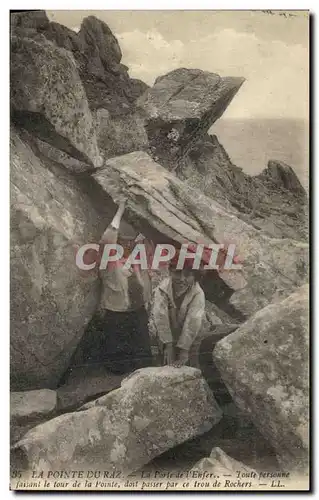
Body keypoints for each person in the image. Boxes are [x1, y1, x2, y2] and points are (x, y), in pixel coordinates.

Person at [84, 200, 154, 374]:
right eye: (124, 241)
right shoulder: (108, 257)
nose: (128, 245)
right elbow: (108, 237)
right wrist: (120, 210)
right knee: (116, 363)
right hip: (116, 313)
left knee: (144, 360)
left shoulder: (139, 254)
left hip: (138, 310)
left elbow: (146, 237)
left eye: (131, 241)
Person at [151, 254, 206, 367]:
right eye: (177, 273)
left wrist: (184, 349)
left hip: (192, 333)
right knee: (166, 362)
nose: (181, 279)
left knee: (190, 361)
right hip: (169, 331)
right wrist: (168, 344)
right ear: (170, 272)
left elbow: (193, 321)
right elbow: (160, 317)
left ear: (195, 276)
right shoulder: (162, 289)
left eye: (187, 275)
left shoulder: (198, 293)